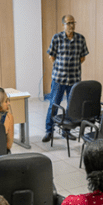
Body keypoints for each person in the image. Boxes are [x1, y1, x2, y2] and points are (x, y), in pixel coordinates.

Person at [43, 14, 89, 143]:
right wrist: (61, 67)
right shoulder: (57, 38)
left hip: (74, 79)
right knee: (53, 104)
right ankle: (49, 131)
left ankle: (66, 131)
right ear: (63, 24)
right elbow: (51, 56)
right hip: (58, 79)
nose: (71, 25)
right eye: (68, 23)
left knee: (71, 106)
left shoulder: (80, 39)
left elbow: (82, 58)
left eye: (73, 22)